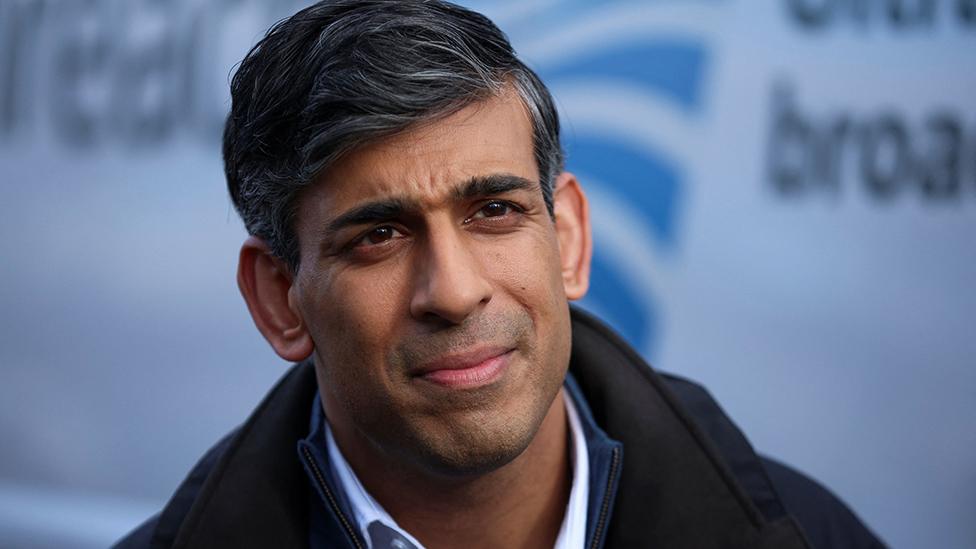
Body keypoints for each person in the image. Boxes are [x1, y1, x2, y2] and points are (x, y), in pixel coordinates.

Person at [115, 1, 886, 548]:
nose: (453, 291)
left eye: (493, 211)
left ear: (570, 239)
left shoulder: (807, 534)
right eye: (378, 236)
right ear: (281, 300)